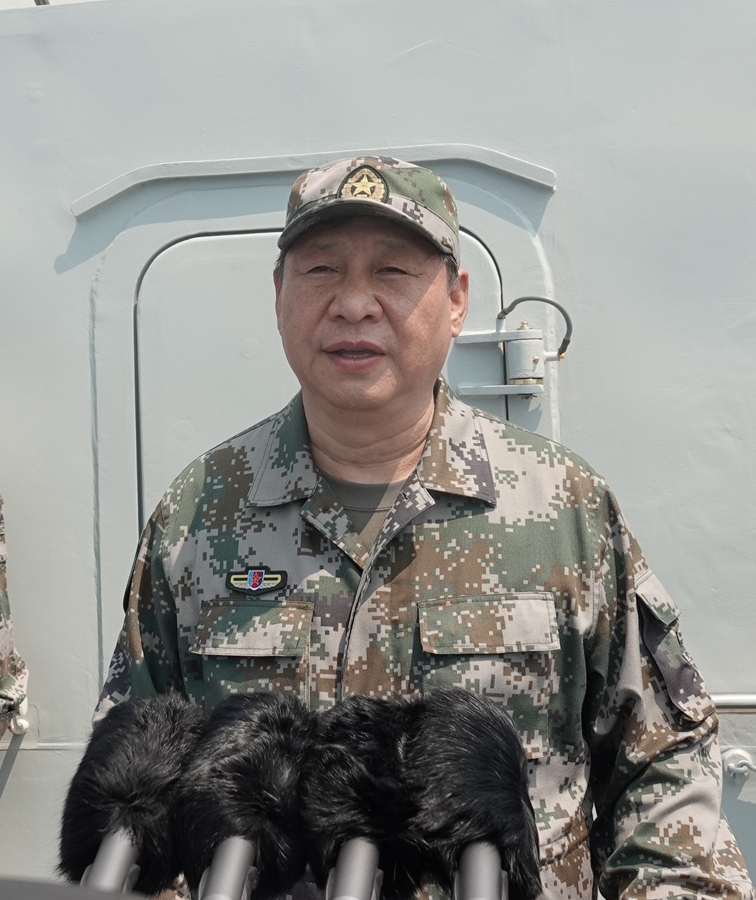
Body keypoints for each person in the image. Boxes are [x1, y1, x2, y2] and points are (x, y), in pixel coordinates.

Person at [96, 156, 754, 899]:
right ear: (279, 295)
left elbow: (662, 761)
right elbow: (139, 770)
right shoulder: (199, 513)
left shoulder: (563, 507)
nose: (354, 304)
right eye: (321, 270)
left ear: (456, 299)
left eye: (393, 271)